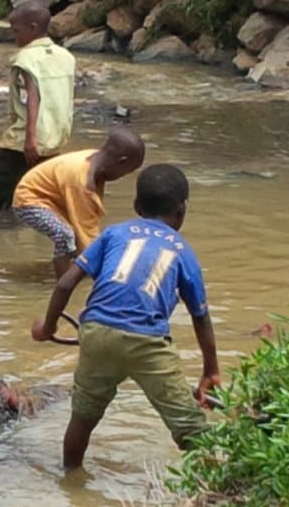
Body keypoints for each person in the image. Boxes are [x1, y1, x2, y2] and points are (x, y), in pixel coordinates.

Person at [31, 163, 221, 470]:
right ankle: (218, 485)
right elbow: (200, 317)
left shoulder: (113, 234)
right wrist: (210, 369)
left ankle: (71, 482)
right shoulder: (184, 253)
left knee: (84, 415)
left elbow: (66, 282)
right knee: (191, 427)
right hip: (146, 342)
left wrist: (48, 326)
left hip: (96, 332)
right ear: (182, 210)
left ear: (135, 206)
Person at [0, 0, 75, 222]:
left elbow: (32, 97)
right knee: (39, 182)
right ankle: (22, 218)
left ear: (32, 28)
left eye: (16, 31)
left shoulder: (26, 58)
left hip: (27, 134)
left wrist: (30, 138)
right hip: (57, 133)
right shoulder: (65, 57)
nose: (14, 38)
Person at [12, 127, 145, 278]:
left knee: (78, 238)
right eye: (126, 172)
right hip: (29, 200)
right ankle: (64, 280)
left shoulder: (97, 160)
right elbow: (86, 233)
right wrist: (105, 275)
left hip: (53, 197)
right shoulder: (82, 182)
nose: (122, 177)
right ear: (121, 162)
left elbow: (89, 222)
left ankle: (74, 269)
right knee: (65, 235)